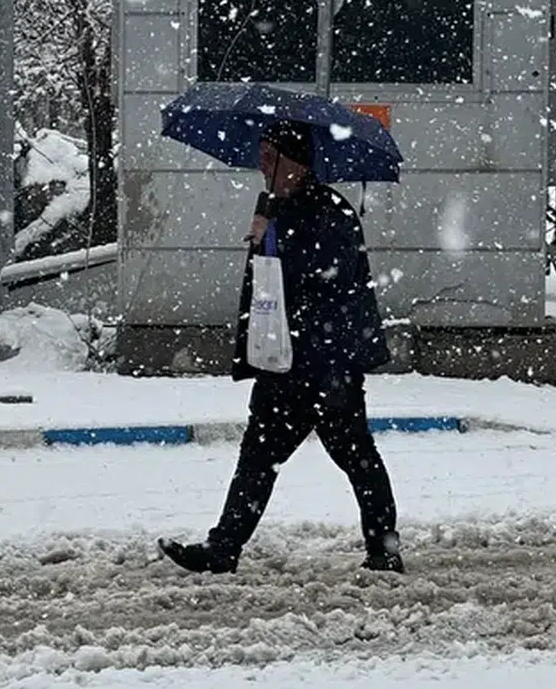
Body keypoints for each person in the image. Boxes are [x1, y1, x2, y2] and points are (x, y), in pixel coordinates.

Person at [159, 119, 403, 574]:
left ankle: (383, 550)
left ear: (297, 163)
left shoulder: (330, 211)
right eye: (262, 156)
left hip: (328, 366)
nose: (262, 164)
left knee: (357, 459)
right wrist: (263, 238)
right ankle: (222, 549)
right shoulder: (276, 209)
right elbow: (269, 288)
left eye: (270, 157)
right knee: (258, 457)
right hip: (284, 362)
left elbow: (323, 284)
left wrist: (272, 240)